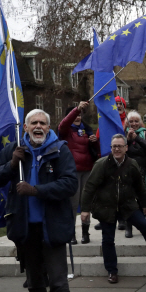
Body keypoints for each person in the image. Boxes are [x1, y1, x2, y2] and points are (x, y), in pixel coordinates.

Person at [0, 109, 77, 292]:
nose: (38, 126)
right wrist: (11, 164)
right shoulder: (15, 150)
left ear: (48, 127)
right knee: (34, 279)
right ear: (26, 127)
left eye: (43, 123)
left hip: (53, 226)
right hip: (25, 226)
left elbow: (70, 184)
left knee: (58, 280)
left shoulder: (60, 150)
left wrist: (36, 191)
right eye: (33, 123)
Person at [80, 134, 146, 283]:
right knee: (108, 239)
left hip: (128, 205)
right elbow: (89, 187)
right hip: (107, 207)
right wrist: (85, 209)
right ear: (111, 148)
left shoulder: (132, 164)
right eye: (114, 146)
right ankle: (112, 271)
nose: (116, 149)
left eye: (119, 146)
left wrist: (144, 204)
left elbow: (139, 186)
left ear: (126, 148)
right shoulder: (101, 164)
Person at [57, 101, 99, 244]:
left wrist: (94, 141)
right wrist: (76, 109)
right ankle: (71, 234)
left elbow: (95, 152)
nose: (78, 117)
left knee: (86, 203)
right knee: (72, 205)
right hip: (72, 172)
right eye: (76, 115)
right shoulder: (65, 131)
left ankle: (85, 233)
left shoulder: (86, 130)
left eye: (80, 115)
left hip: (87, 170)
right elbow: (62, 125)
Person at [94, 95, 128, 232]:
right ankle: (105, 219)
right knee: (106, 191)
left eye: (120, 103)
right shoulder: (106, 119)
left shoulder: (128, 121)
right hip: (107, 160)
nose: (118, 106)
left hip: (123, 161)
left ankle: (122, 219)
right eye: (116, 103)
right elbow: (98, 138)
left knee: (122, 191)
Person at [125, 111, 146, 238]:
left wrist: (136, 138)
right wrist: (127, 139)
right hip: (128, 171)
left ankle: (142, 223)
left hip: (143, 170)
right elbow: (119, 150)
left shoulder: (145, 133)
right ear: (127, 122)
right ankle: (128, 226)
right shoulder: (123, 134)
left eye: (136, 121)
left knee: (142, 198)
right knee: (128, 198)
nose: (134, 124)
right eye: (131, 121)